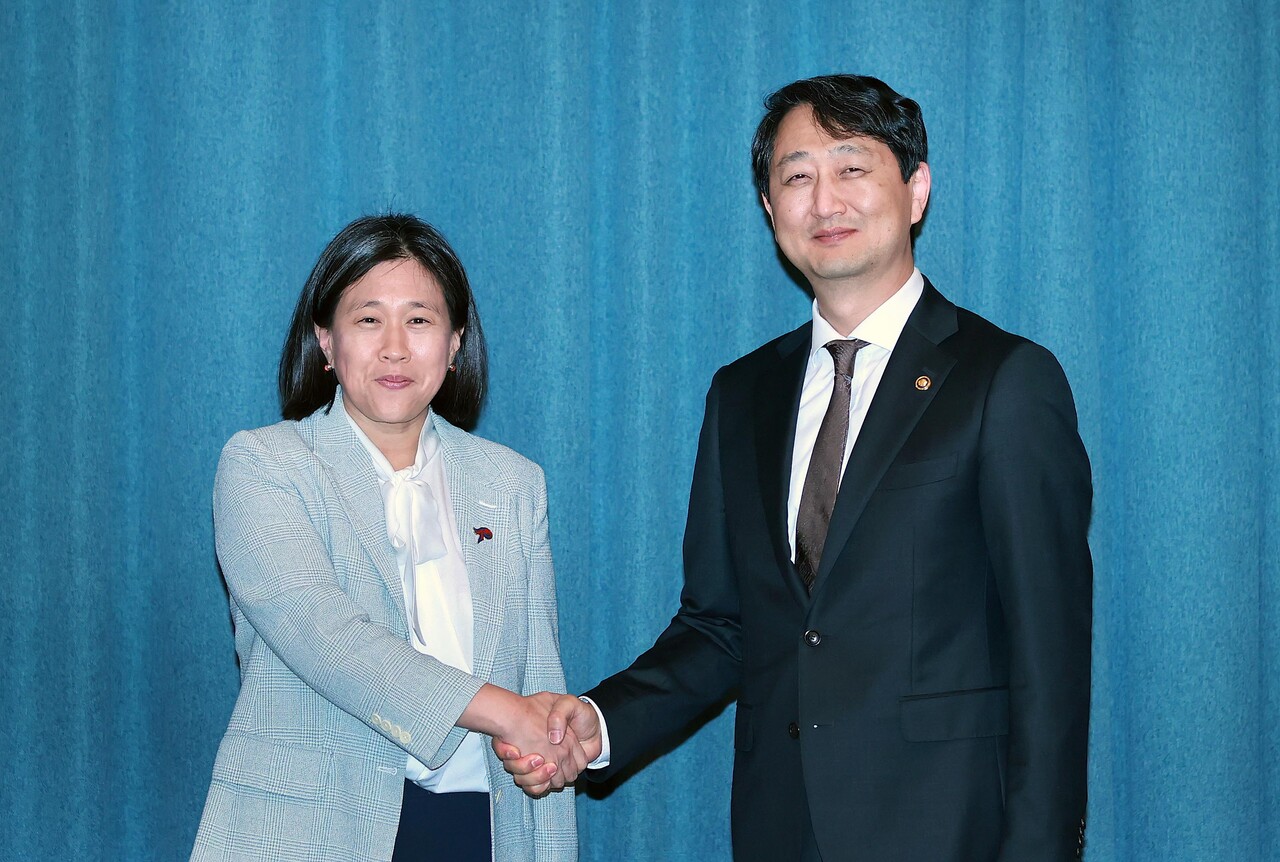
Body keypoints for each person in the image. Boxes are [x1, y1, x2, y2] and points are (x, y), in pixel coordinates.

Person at [498, 74, 1093, 861]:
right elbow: (720, 627)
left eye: (853, 169)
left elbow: (1049, 654)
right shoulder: (744, 393)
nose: (825, 200)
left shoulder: (1004, 380)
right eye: (797, 176)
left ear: (916, 190)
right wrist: (598, 724)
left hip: (951, 832)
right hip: (782, 827)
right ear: (771, 210)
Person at [192, 214, 585, 862]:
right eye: (369, 319)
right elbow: (329, 639)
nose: (396, 348)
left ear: (456, 342)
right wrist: (505, 711)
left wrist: (542, 745)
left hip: (480, 826)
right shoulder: (263, 466)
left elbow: (538, 677)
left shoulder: (512, 485)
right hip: (313, 830)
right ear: (326, 340)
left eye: (421, 320)